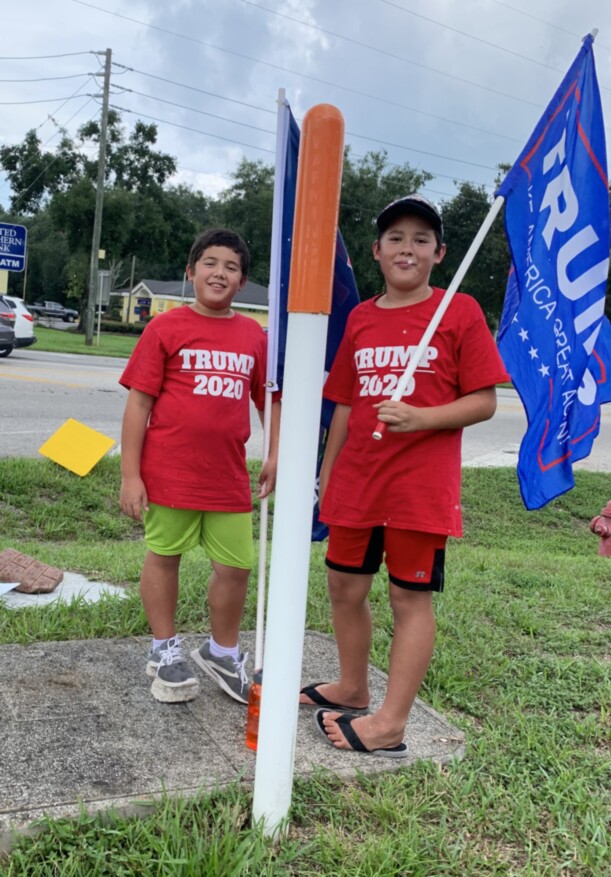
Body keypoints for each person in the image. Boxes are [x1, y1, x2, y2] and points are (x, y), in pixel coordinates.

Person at [300, 195, 509, 757]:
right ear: (376, 251)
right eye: (396, 238)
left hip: (418, 490)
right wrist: (326, 472)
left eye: (421, 239)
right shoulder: (362, 318)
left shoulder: (458, 311)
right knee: (344, 587)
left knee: (407, 599)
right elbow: (343, 403)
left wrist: (422, 419)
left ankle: (390, 724)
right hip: (356, 482)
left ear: (439, 253)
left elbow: (485, 400)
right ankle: (351, 685)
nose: (407, 248)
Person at [119, 228, 280, 705]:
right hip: (169, 475)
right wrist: (131, 475)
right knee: (164, 557)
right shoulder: (164, 329)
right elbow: (138, 406)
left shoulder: (254, 336)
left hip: (227, 478)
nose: (219, 273)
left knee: (236, 567)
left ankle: (221, 651)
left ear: (242, 281)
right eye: (210, 263)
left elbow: (269, 402)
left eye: (231, 267)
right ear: (191, 273)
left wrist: (274, 452)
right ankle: (164, 650)